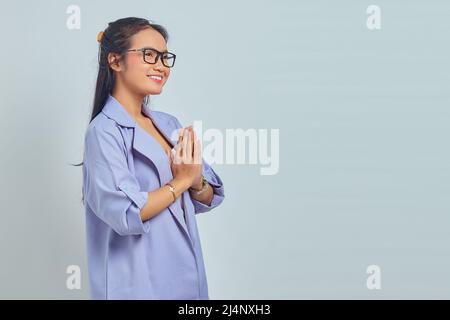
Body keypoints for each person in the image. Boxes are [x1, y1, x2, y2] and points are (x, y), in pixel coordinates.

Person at [81, 17, 225, 299]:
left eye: (164, 57)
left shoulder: (169, 124)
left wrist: (196, 184)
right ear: (115, 61)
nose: (161, 66)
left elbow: (209, 197)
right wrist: (182, 181)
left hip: (186, 279)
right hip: (138, 284)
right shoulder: (103, 132)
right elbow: (125, 213)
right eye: (149, 55)